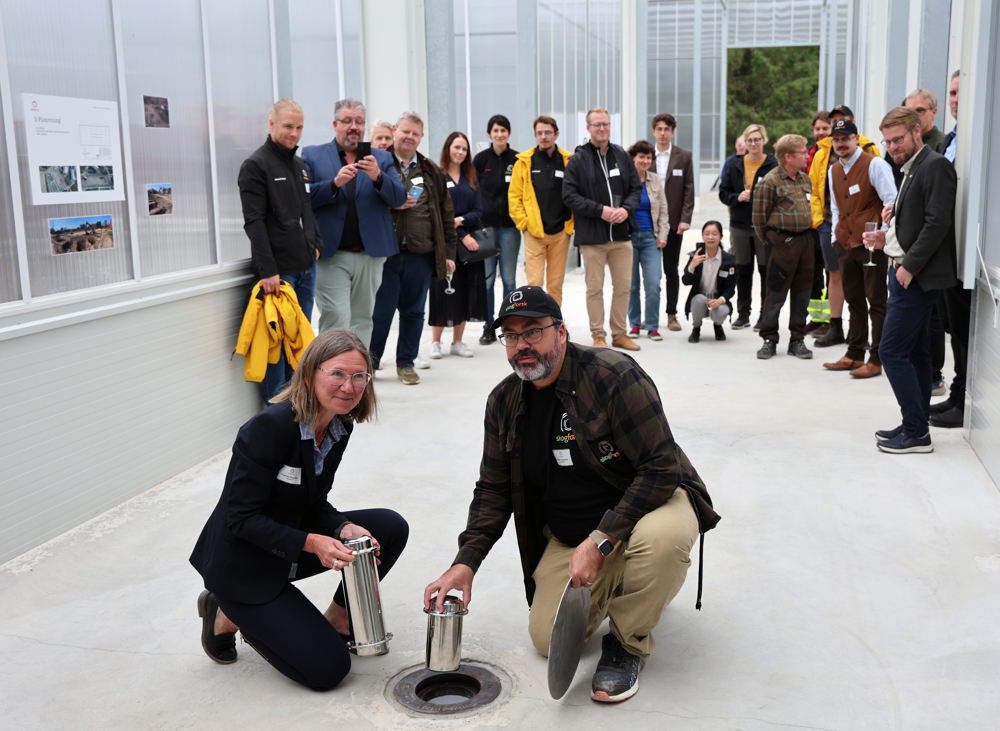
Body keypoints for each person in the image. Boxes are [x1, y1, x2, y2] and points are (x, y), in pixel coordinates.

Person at [423, 285, 720, 704]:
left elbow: (660, 468)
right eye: (511, 335)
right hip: (571, 532)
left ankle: (628, 641)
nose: (522, 345)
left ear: (560, 332)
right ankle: (626, 579)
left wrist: (601, 540)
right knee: (547, 640)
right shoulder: (504, 401)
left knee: (661, 543)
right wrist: (465, 562)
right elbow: (492, 490)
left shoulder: (613, 375)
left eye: (533, 332)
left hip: (647, 506)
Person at [190, 328, 409, 690]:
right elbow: (240, 518)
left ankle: (340, 620)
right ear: (309, 373)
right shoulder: (268, 428)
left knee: (387, 528)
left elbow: (311, 501)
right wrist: (313, 543)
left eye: (359, 376)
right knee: (327, 671)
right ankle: (225, 614)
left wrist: (339, 528)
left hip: (285, 545)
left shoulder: (339, 425)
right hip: (243, 566)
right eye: (337, 374)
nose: (349, 387)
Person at [866, 106, 957, 454]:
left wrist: (909, 266)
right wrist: (885, 239)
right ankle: (914, 424)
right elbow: (915, 224)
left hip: (915, 277)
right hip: (902, 271)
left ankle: (917, 431)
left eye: (898, 139)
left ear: (917, 131)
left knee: (890, 351)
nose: (892, 146)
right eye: (887, 141)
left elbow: (938, 224)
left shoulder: (934, 166)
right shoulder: (910, 168)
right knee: (917, 353)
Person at [302, 99, 406, 346]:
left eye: (359, 122)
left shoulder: (381, 158)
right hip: (331, 254)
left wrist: (378, 177)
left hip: (370, 255)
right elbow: (302, 197)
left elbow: (399, 198)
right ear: (335, 124)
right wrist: (333, 184)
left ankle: (358, 376)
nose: (353, 127)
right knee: (336, 317)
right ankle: (331, 374)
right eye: (347, 121)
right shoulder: (313, 155)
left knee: (362, 319)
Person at [238, 98, 323, 402]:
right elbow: (254, 223)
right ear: (271, 124)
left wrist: (316, 245)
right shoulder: (256, 166)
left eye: (299, 127)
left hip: (305, 268)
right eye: (288, 126)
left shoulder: (299, 165)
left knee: (300, 341)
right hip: (278, 273)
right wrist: (268, 270)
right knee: (275, 346)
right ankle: (275, 412)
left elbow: (306, 210)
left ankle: (297, 407)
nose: (294, 133)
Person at [369, 112, 457, 386]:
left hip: (421, 254)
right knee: (380, 313)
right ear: (395, 131)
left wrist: (449, 254)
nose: (409, 137)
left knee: (414, 312)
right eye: (405, 131)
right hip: (386, 253)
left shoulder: (431, 171)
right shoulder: (379, 164)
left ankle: (405, 363)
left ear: (421, 137)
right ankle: (369, 364)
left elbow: (445, 214)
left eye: (415, 134)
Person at [821, 118, 897, 379]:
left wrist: (883, 237)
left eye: (846, 139)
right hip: (844, 243)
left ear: (856, 139)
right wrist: (835, 238)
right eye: (837, 140)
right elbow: (835, 207)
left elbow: (892, 202)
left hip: (871, 244)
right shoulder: (833, 170)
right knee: (853, 300)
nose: (841, 144)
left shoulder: (874, 164)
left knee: (876, 301)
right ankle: (854, 354)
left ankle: (877, 358)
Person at [563, 107, 642, 351]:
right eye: (597, 124)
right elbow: (568, 195)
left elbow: (635, 189)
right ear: (588, 128)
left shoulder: (622, 156)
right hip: (592, 238)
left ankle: (619, 334)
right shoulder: (578, 160)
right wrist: (600, 210)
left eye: (605, 124)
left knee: (623, 288)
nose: (602, 128)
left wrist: (626, 210)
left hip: (621, 236)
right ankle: (599, 335)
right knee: (594, 289)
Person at [809, 105, 882, 349]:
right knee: (836, 275)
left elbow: (880, 190)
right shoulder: (821, 153)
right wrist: (820, 221)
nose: (837, 126)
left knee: (867, 281)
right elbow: (816, 189)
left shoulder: (869, 149)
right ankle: (836, 326)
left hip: (863, 229)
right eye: (833, 123)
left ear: (852, 124)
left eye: (842, 121)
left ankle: (869, 338)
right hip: (831, 224)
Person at [928, 69, 971, 430]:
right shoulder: (951, 140)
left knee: (962, 329)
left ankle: (965, 399)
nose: (956, 99)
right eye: (953, 93)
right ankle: (958, 394)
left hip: (966, 253)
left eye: (962, 92)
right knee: (952, 328)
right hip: (948, 252)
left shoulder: (976, 141)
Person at [752, 134, 815, 361]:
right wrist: (772, 241)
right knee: (776, 291)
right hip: (781, 243)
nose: (807, 155)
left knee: (803, 290)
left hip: (805, 241)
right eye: (803, 152)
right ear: (788, 156)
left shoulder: (804, 179)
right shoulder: (770, 182)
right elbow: (758, 219)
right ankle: (769, 338)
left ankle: (797, 340)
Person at [428, 132, 488, 359]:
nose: (460, 152)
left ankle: (458, 342)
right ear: (448, 148)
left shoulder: (471, 176)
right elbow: (437, 212)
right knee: (442, 290)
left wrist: (459, 222)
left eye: (464, 149)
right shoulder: (437, 175)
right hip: (446, 243)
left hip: (469, 246)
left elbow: (478, 212)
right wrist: (461, 233)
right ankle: (435, 342)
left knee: (465, 291)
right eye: (456, 147)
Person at [508, 115, 574, 306]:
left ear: (556, 134)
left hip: (561, 233)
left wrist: (571, 223)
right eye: (540, 133)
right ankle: (535, 325)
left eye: (548, 133)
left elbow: (576, 192)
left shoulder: (568, 161)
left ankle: (554, 327)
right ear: (535, 135)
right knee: (534, 285)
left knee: (555, 285)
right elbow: (514, 196)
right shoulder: (524, 162)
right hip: (534, 233)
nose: (544, 137)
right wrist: (524, 224)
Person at [718, 123, 778, 329]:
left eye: (757, 139)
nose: (753, 143)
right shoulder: (734, 164)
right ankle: (743, 314)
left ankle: (764, 316)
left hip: (764, 227)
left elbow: (780, 194)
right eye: (749, 140)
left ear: (764, 140)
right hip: (739, 226)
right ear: (745, 142)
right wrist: (737, 197)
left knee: (765, 271)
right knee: (743, 271)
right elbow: (723, 193)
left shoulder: (773, 165)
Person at [473, 114, 521, 344]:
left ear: (509, 133)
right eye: (495, 131)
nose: (499, 134)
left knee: (510, 280)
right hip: (486, 229)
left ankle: (508, 323)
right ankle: (489, 325)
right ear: (489, 134)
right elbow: (473, 190)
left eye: (503, 130)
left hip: (510, 228)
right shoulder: (481, 160)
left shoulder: (518, 160)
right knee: (488, 280)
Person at [652, 113, 695, 332]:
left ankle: (671, 315)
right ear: (653, 132)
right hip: (648, 223)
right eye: (659, 129)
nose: (662, 133)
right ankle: (648, 318)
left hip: (674, 223)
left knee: (671, 270)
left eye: (667, 129)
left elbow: (689, 190)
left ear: (673, 132)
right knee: (650, 273)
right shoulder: (644, 155)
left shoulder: (684, 156)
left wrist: (685, 220)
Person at [626, 140, 670, 340]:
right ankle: (634, 324)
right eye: (641, 157)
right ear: (633, 158)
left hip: (651, 238)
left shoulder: (655, 180)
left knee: (653, 283)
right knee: (631, 284)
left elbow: (663, 211)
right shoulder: (625, 180)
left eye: (648, 157)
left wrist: (663, 235)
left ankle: (652, 325)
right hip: (628, 238)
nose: (645, 161)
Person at [682, 221, 736, 343]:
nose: (710, 237)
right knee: (698, 299)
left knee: (721, 311)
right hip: (700, 298)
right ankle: (696, 328)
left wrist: (720, 300)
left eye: (714, 234)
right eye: (707, 233)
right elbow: (685, 281)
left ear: (721, 236)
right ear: (702, 236)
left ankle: (718, 326)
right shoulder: (695, 256)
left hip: (718, 299)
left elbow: (731, 288)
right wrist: (692, 266)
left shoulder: (728, 260)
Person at [806, 111, 833, 336]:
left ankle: (832, 320)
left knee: (831, 271)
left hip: (827, 222)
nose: (821, 132)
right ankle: (817, 318)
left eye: (825, 128)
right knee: (813, 273)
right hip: (810, 225)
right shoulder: (809, 155)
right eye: (818, 129)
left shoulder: (834, 153)